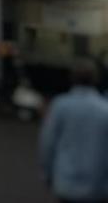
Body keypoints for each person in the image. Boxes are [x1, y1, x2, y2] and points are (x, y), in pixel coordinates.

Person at [39, 60, 108, 203]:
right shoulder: (104, 109)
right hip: (98, 186)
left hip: (66, 182)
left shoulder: (60, 105)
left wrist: (47, 174)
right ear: (95, 79)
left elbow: (48, 143)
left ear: (72, 78)